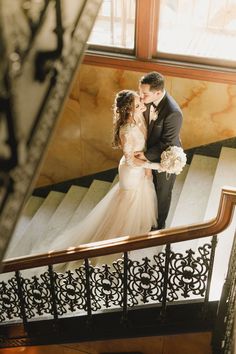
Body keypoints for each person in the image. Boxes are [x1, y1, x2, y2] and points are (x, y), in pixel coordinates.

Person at [24, 90, 162, 265]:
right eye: (137, 104)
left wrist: (146, 163)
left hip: (140, 168)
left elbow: (141, 145)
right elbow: (129, 160)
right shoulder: (126, 130)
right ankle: (116, 241)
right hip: (130, 171)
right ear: (128, 110)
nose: (142, 104)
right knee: (127, 205)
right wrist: (154, 165)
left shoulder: (138, 118)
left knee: (140, 198)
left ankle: (136, 234)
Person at [136, 71, 183, 230]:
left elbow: (167, 142)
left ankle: (159, 226)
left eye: (145, 94)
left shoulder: (173, 112)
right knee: (149, 189)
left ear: (158, 92)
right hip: (148, 151)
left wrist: (145, 155)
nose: (141, 97)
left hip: (166, 157)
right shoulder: (145, 100)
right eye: (140, 92)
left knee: (162, 193)